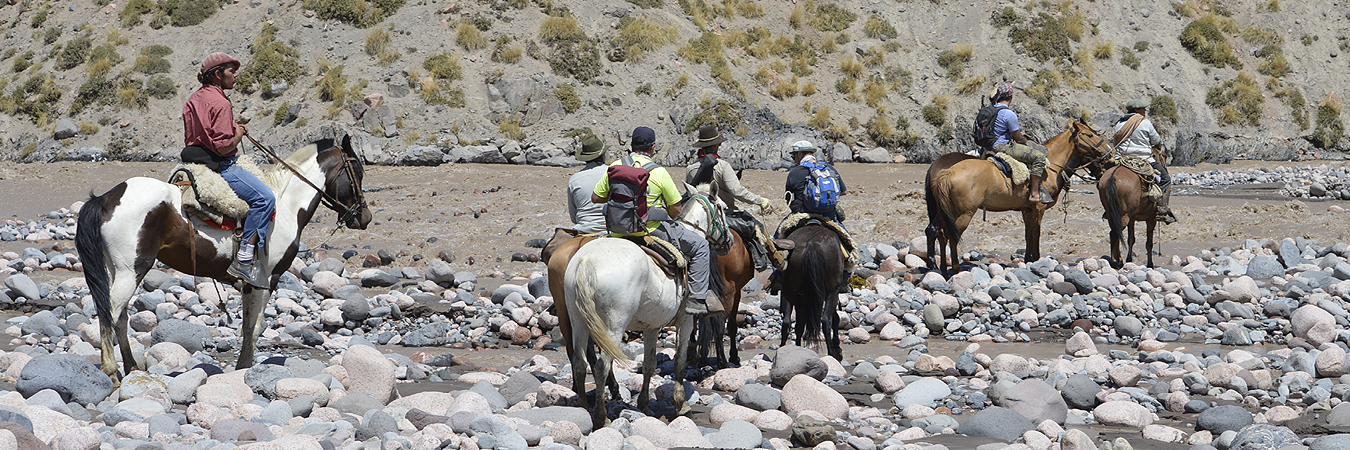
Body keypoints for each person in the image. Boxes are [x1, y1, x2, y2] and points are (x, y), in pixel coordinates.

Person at [592, 127, 721, 315]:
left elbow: (596, 198)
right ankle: (696, 299)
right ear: (653, 148)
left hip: (617, 230)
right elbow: (676, 210)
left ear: (631, 145)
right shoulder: (659, 172)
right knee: (701, 246)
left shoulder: (615, 166)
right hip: (649, 231)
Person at [182, 52, 273, 288]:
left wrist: (232, 127)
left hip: (194, 160)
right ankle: (243, 259)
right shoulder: (221, 102)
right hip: (221, 164)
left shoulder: (193, 99)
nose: (235, 75)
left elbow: (203, 132)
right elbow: (223, 148)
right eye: (231, 71)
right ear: (218, 75)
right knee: (265, 198)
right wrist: (239, 134)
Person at [685, 125, 774, 270]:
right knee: (757, 228)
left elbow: (691, 194)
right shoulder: (722, 166)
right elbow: (737, 191)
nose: (719, 145)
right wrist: (760, 200)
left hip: (702, 217)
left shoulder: (691, 168)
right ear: (714, 145)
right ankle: (768, 261)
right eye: (718, 143)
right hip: (726, 213)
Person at [768, 140, 850, 294]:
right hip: (828, 216)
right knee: (849, 242)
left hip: (800, 216)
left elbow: (789, 199)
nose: (793, 159)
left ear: (800, 154)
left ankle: (777, 276)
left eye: (794, 156)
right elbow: (843, 192)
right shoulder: (829, 169)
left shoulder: (794, 172)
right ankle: (846, 277)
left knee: (776, 240)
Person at [1113, 98, 1177, 224]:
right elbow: (1156, 140)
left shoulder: (1119, 124)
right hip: (1143, 159)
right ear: (1136, 110)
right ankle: (1161, 208)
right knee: (1165, 179)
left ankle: (1108, 209)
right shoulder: (1145, 123)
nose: (1145, 110)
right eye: (1143, 108)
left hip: (1122, 159)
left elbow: (1115, 142)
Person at [988, 83, 1052, 205]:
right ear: (1011, 97)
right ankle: (1034, 193)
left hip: (987, 146)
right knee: (1038, 158)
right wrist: (1026, 140)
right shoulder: (1009, 114)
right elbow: (1019, 139)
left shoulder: (990, 111)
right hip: (1002, 147)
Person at [566, 134, 608, 234]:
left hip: (583, 230)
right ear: (603, 155)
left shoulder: (574, 179)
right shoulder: (613, 173)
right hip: (611, 230)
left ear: (584, 158)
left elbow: (574, 217)